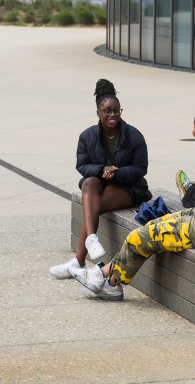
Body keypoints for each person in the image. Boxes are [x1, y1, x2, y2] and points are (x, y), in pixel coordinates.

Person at [73, 110, 195, 301]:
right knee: (152, 225)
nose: (192, 131)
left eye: (194, 128)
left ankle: (110, 282)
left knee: (138, 237)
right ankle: (106, 276)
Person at [49, 78, 151, 279]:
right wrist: (102, 170)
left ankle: (78, 261)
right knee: (88, 182)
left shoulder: (133, 135)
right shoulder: (87, 136)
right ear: (98, 112)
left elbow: (141, 168)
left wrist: (117, 173)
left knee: (92, 206)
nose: (113, 115)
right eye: (108, 111)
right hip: (99, 183)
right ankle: (91, 240)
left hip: (128, 186)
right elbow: (82, 165)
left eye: (116, 111)